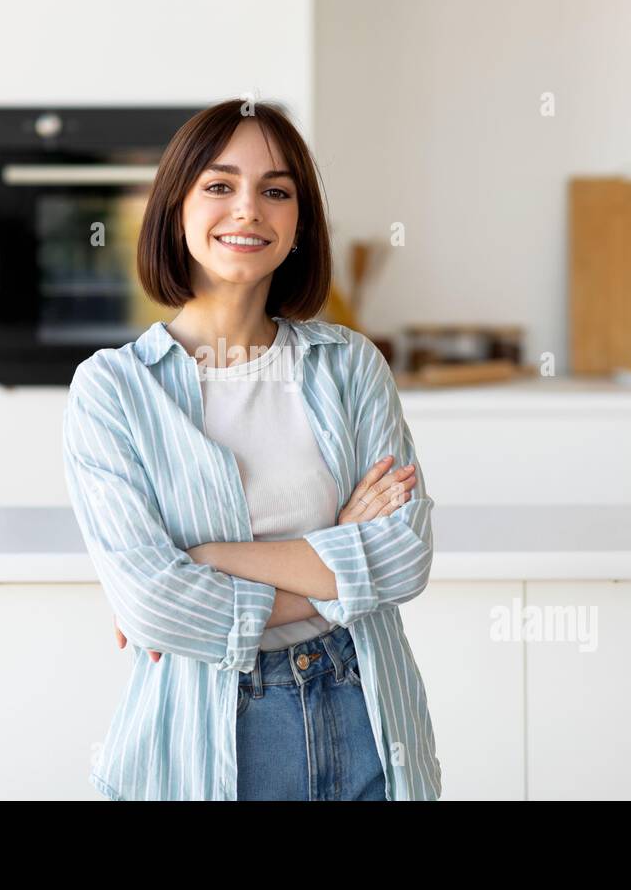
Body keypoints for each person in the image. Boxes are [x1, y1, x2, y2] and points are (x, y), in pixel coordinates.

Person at [62, 97, 441, 800]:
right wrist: (335, 565)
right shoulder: (114, 390)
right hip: (205, 743)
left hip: (367, 719)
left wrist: (211, 562)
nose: (249, 209)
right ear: (176, 207)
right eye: (219, 185)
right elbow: (155, 605)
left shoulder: (350, 365)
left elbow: (404, 554)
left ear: (298, 223)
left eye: (276, 190)